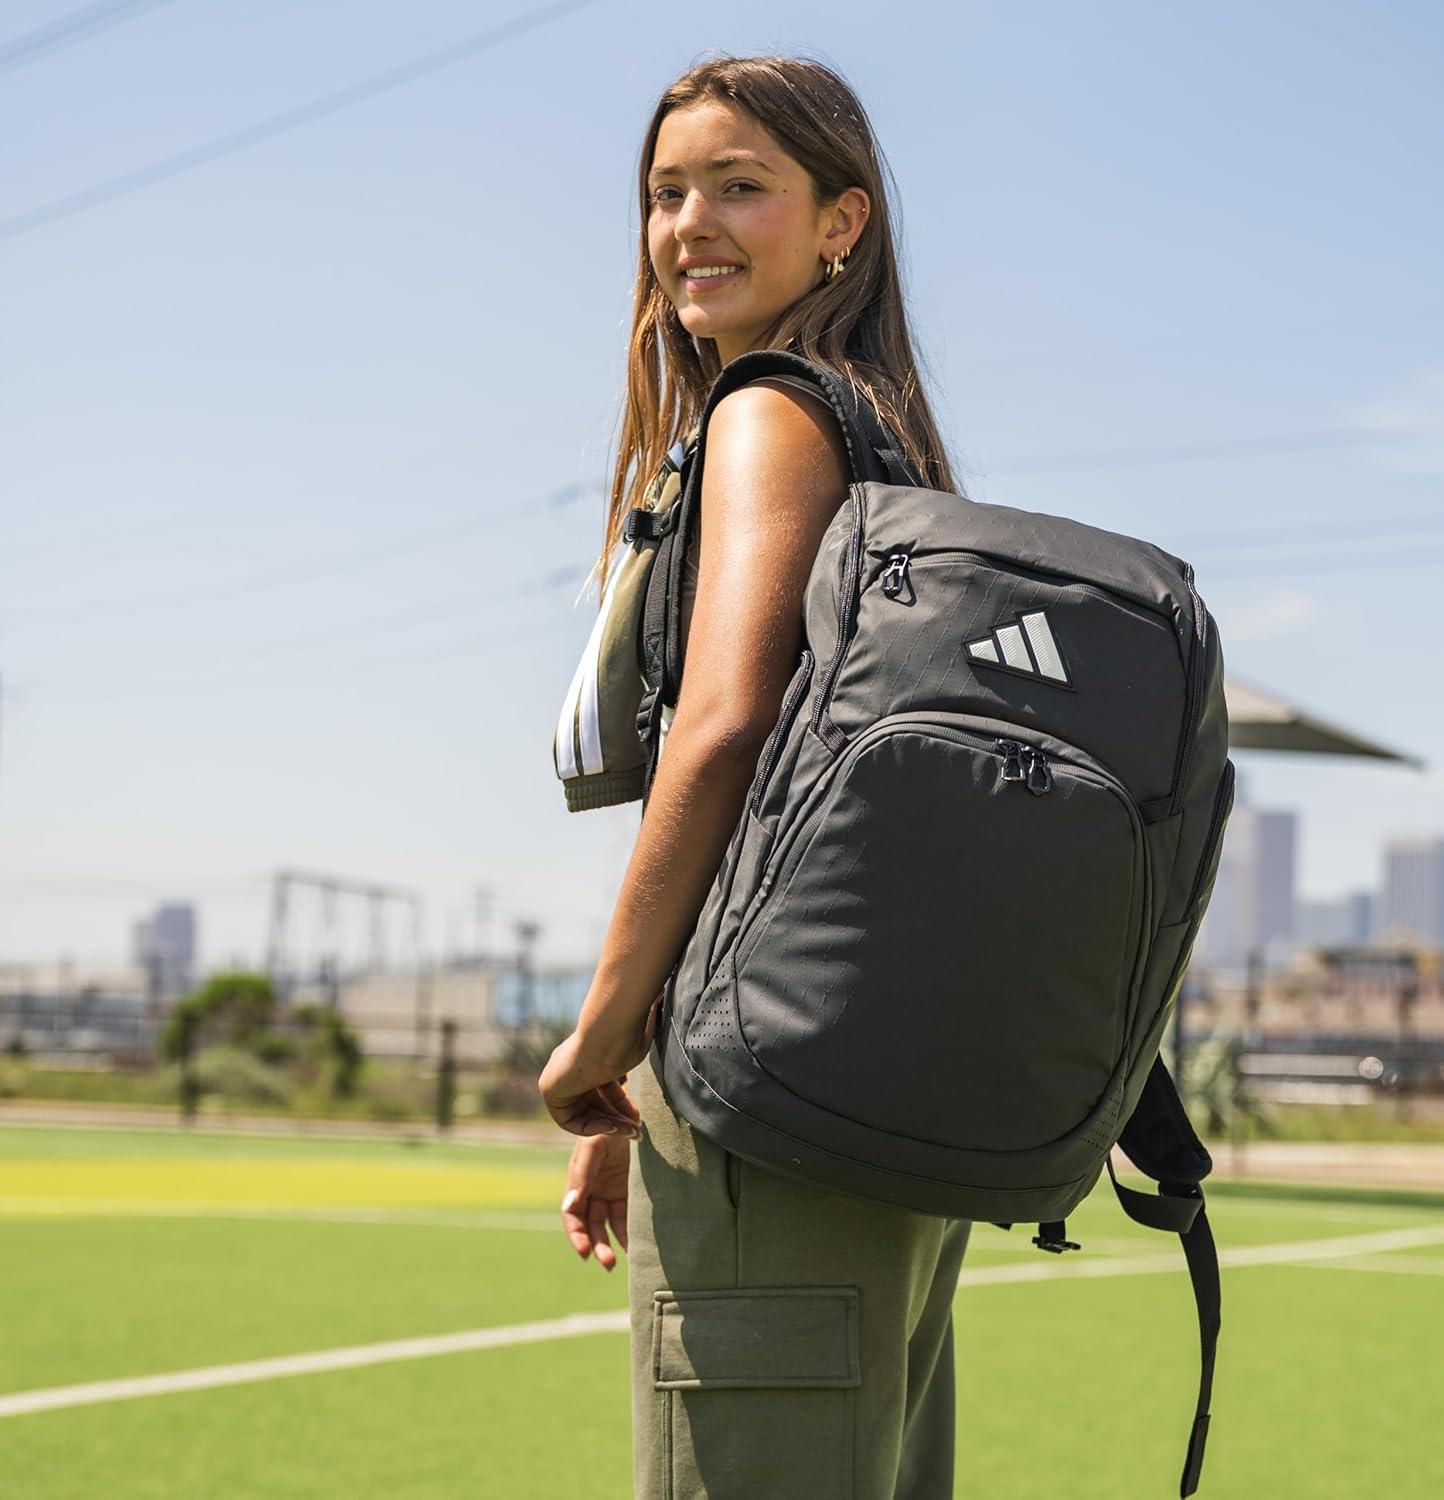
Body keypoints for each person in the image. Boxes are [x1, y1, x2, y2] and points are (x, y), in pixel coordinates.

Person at [538, 54, 968, 1499]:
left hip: (765, 1095)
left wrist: (598, 1042)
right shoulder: (883, 432)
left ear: (841, 224)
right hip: (873, 1092)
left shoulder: (770, 416)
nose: (690, 225)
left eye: (740, 186)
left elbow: (722, 734)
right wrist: (638, 1101)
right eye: (668, 192)